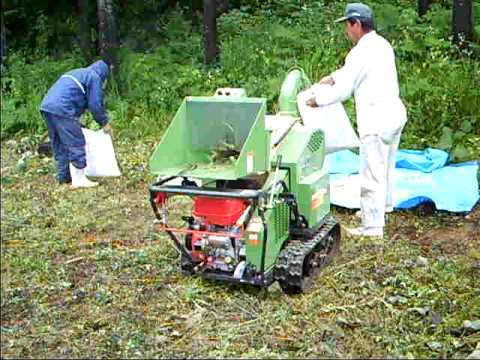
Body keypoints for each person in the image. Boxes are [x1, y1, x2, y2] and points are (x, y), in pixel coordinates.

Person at [306, 3, 407, 237]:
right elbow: (351, 72)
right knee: (387, 167)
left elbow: (344, 89)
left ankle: (372, 228)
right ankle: (383, 207)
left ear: (357, 24)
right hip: (394, 115)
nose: (346, 31)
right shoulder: (381, 44)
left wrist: (316, 99)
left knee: (372, 173)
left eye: (347, 26)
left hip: (377, 121)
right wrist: (330, 78)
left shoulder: (360, 51)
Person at [40, 60, 113, 188]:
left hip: (47, 106)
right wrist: (104, 122)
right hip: (63, 108)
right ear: (104, 76)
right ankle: (79, 179)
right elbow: (95, 105)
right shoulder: (95, 77)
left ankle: (64, 178)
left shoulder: (79, 73)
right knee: (76, 142)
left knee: (60, 143)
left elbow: (73, 95)